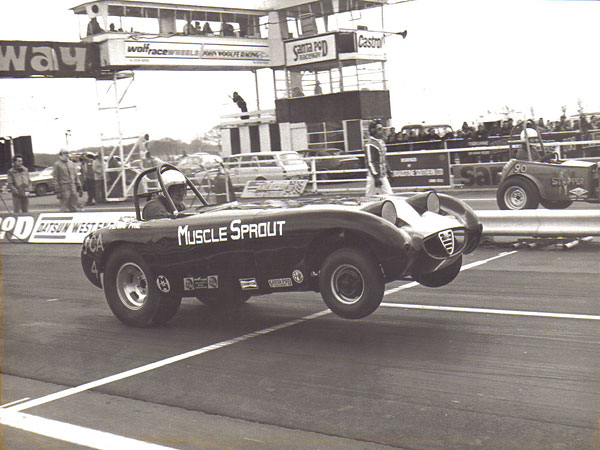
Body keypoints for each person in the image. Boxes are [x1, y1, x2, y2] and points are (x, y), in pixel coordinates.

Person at [364, 120, 393, 196]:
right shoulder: (370, 144)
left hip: (382, 175)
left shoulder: (381, 143)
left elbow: (384, 159)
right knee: (370, 197)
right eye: (379, 129)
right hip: (374, 176)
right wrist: (376, 177)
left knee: (388, 195)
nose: (382, 131)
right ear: (373, 131)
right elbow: (370, 162)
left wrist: (389, 171)